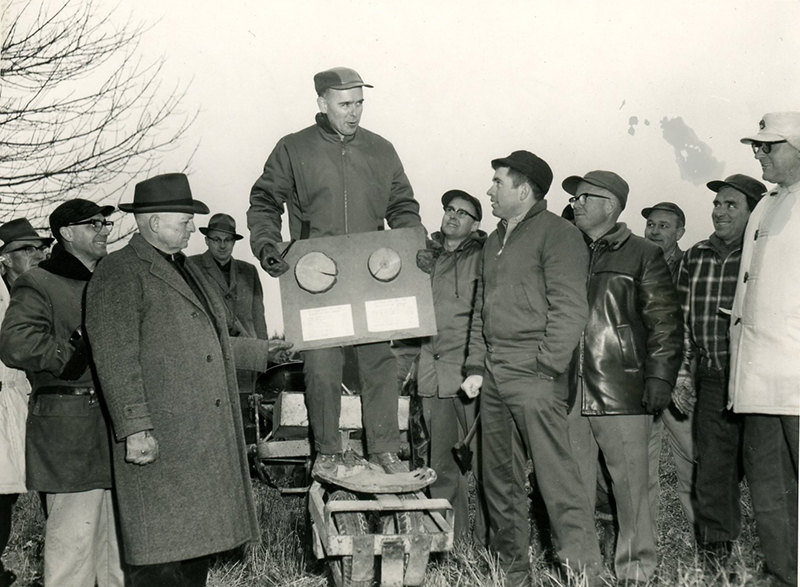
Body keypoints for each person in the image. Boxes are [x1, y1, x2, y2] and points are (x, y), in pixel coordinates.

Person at [85, 173, 289, 587]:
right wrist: (136, 427)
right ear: (154, 222)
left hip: (193, 443)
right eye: (185, 220)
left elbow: (210, 341)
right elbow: (115, 357)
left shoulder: (184, 269)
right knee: (159, 559)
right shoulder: (119, 272)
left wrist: (264, 352)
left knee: (193, 554)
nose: (193, 229)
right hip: (160, 439)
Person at [247, 67, 422, 478]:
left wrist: (413, 245)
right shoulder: (293, 148)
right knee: (321, 366)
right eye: (345, 104)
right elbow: (264, 201)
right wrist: (267, 244)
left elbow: (402, 206)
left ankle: (384, 450)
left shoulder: (382, 150)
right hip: (316, 275)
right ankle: (326, 451)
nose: (355, 112)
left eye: (360, 103)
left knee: (378, 361)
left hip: (371, 271)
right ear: (322, 104)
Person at [460, 151, 602, 586]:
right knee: (498, 480)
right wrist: (475, 364)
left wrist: (546, 366)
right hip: (494, 373)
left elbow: (570, 308)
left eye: (497, 182)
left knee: (557, 481)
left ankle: (584, 575)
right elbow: (481, 307)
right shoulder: (493, 240)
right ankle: (513, 574)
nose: (490, 190)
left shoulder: (559, 234)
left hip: (535, 374)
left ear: (523, 190)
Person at [565, 171, 682, 586]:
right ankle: (583, 573)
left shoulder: (643, 253)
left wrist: (660, 379)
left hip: (622, 387)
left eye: (584, 197)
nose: (576, 204)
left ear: (610, 205)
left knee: (631, 490)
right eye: (575, 198)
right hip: (567, 391)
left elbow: (665, 323)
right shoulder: (566, 248)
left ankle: (636, 572)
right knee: (572, 488)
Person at [0, 201, 124, 587]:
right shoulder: (39, 282)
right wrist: (71, 353)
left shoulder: (111, 280)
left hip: (115, 429)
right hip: (68, 431)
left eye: (105, 223)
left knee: (119, 554)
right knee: (72, 549)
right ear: (67, 233)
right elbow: (15, 344)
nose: (104, 229)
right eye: (94, 224)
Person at [673, 175, 764, 568]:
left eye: (731, 205)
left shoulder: (763, 252)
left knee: (766, 467)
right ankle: (716, 559)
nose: (720, 211)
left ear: (753, 211)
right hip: (712, 375)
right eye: (717, 204)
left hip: (759, 376)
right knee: (712, 469)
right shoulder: (695, 256)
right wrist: (681, 372)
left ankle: (778, 556)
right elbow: (681, 318)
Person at [730, 112, 800, 586]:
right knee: (768, 485)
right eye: (756, 146)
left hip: (796, 373)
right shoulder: (763, 205)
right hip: (756, 375)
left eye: (769, 146)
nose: (759, 154)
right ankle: (783, 572)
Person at [416, 189, 487, 544]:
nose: (453, 216)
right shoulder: (425, 256)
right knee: (443, 464)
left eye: (463, 213)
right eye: (449, 209)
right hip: (434, 374)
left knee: (486, 463)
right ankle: (452, 543)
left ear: (475, 224)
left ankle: (487, 542)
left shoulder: (484, 257)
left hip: (472, 372)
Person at [0, 219, 52, 587]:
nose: (36, 255)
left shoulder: (27, 290)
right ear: (3, 258)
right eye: (25, 250)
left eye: (38, 248)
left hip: (16, 404)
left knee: (7, 495)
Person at [641, 202, 695, 526]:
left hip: (682, 378)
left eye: (664, 225)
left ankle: (705, 544)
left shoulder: (690, 266)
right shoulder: (637, 262)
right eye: (651, 224)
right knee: (641, 466)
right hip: (643, 379)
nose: (655, 231)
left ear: (680, 232)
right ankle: (644, 541)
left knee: (691, 461)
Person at [190, 213, 268, 394]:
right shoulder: (191, 267)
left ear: (234, 242)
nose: (223, 245)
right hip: (209, 360)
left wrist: (263, 354)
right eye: (216, 239)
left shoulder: (249, 271)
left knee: (246, 414)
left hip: (246, 362)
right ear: (207, 240)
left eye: (228, 240)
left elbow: (259, 319)